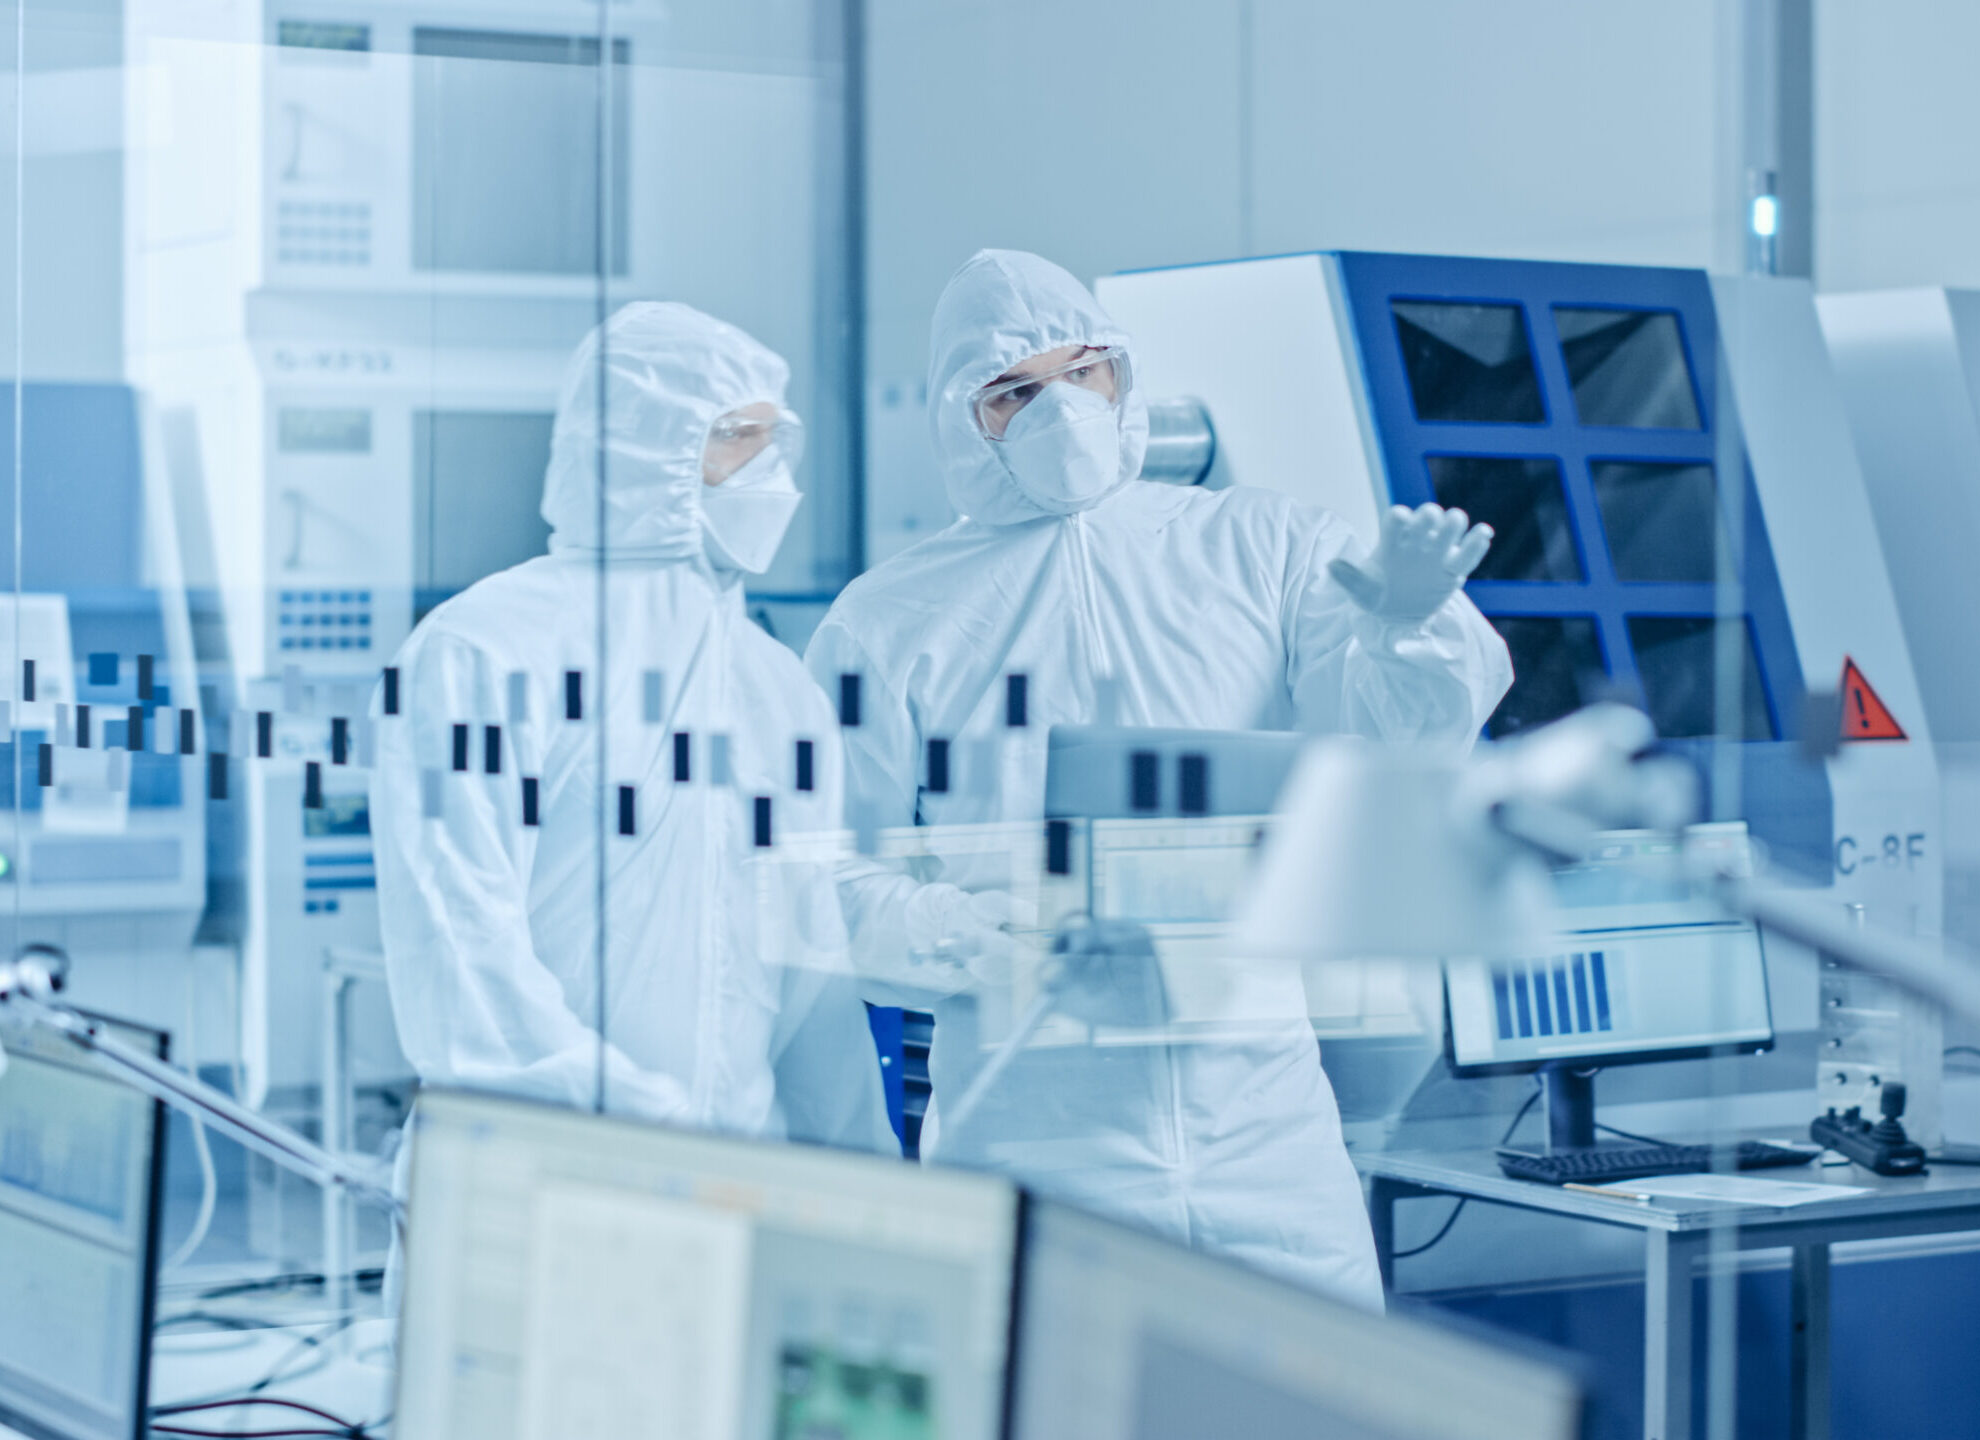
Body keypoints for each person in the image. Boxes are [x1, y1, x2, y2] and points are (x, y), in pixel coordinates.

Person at [805, 250, 1512, 1309]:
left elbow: (1392, 749)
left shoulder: (1262, 546)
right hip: (1034, 1133)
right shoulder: (888, 620)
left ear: (1122, 377)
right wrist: (971, 933)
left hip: (1264, 1132)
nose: (1060, 410)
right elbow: (820, 875)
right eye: (1013, 392)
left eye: (1081, 371)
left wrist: (1407, 633)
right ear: (964, 420)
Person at [372, 301, 894, 1162]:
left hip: (737, 1185)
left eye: (775, 439)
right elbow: (461, 954)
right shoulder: (484, 652)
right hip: (541, 1172)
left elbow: (813, 972)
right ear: (643, 447)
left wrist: (858, 1178)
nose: (769, 472)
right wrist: (637, 1122)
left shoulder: (777, 688)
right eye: (735, 436)